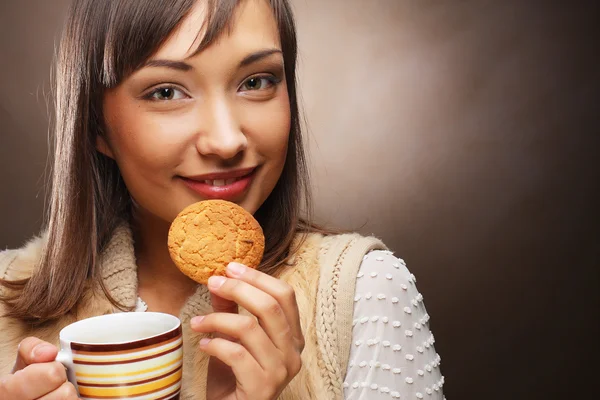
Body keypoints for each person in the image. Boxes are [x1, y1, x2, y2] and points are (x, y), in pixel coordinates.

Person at [0, 0, 445, 399]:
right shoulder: (5, 299)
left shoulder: (363, 293)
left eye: (256, 81)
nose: (226, 140)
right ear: (97, 125)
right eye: (167, 92)